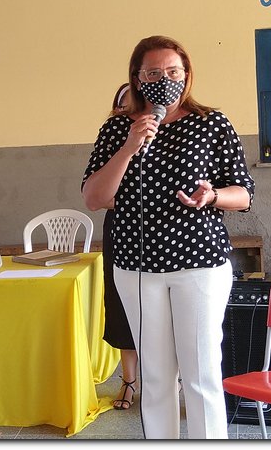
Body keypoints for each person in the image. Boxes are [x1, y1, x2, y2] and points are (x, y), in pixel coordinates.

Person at [82, 35, 255, 439]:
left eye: (173, 71)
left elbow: (244, 193)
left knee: (200, 374)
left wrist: (213, 195)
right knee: (156, 378)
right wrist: (128, 147)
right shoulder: (116, 128)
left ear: (187, 75)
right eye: (154, 73)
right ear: (138, 79)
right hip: (136, 268)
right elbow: (94, 197)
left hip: (198, 263)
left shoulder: (212, 122)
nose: (165, 79)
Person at [103, 83, 140, 410]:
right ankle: (128, 382)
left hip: (162, 236)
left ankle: (175, 383)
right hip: (120, 233)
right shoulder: (112, 142)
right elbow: (100, 195)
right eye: (123, 107)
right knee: (121, 308)